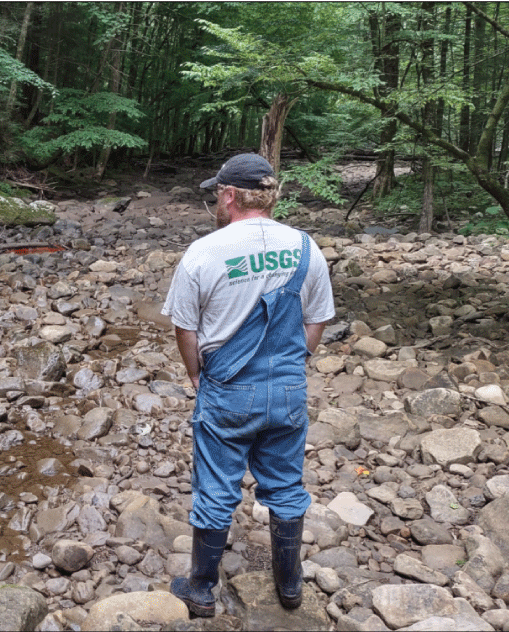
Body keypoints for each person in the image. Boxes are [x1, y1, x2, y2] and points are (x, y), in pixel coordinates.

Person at [162, 153, 335, 617]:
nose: (216, 201)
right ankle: (291, 584)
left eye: (218, 193)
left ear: (230, 195)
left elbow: (185, 326)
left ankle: (200, 591)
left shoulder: (204, 250)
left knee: (217, 490)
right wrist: (296, 363)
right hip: (287, 390)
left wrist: (196, 374)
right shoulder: (305, 247)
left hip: (227, 391)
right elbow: (317, 318)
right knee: (285, 487)